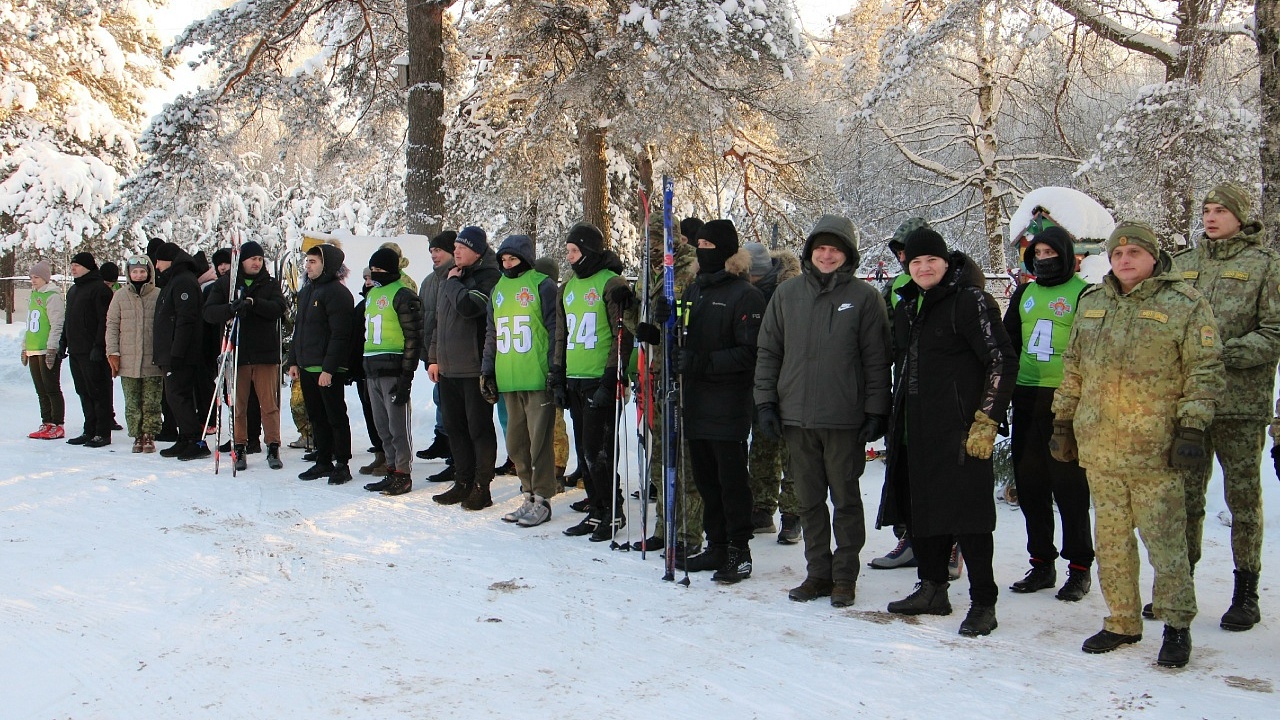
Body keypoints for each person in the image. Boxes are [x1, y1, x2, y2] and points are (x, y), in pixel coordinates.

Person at [1053, 220, 1223, 668]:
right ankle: (1122, 621)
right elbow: (1073, 368)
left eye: (1134, 254)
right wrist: (1063, 422)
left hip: (1156, 449)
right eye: (1117, 255)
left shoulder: (1185, 303)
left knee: (1165, 542)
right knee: (1110, 541)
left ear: (1153, 257)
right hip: (1101, 448)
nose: (1124, 261)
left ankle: (1176, 625)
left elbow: (1204, 372)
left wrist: (1192, 428)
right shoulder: (1092, 303)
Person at [879, 227, 1016, 637]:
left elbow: (1001, 360)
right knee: (923, 511)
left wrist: (986, 418)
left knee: (970, 517)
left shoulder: (970, 301)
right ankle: (933, 587)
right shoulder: (907, 306)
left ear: (946, 262)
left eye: (931, 261)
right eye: (915, 262)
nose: (923, 268)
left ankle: (983, 601)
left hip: (961, 429)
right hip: (914, 427)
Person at [756, 215, 892, 605]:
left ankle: (845, 575)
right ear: (810, 252)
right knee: (808, 501)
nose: (827, 255)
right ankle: (818, 573)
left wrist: (875, 410)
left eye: (835, 249)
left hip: (844, 419)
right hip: (796, 417)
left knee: (846, 501)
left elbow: (877, 361)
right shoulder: (786, 295)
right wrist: (765, 401)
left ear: (847, 254)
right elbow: (768, 352)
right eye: (821, 248)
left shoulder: (865, 299)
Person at [1171, 182, 1280, 632]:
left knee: (1243, 500)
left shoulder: (1265, 265)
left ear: (1240, 216)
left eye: (1221, 211)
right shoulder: (1183, 265)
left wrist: (1226, 352)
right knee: (1185, 498)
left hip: (1241, 404)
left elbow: (1275, 330)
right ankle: (1182, 586)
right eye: (1207, 210)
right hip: (1191, 405)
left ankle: (1246, 590)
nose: (1211, 218)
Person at [1001, 225, 1094, 601]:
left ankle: (1079, 567)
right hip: (1027, 397)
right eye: (1037, 254)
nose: (1043, 260)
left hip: (1065, 401)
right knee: (1031, 484)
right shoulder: (1025, 293)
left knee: (1069, 488)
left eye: (1050, 254)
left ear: (1067, 256)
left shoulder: (1084, 294)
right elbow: (1008, 344)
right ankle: (1041, 562)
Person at [668, 220, 765, 583]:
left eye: (710, 244)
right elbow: (686, 335)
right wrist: (665, 324)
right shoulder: (696, 290)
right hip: (696, 402)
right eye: (701, 243)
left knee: (731, 481)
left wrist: (702, 363)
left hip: (728, 403)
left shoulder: (745, 295)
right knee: (707, 481)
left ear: (726, 252)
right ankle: (717, 544)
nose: (702, 249)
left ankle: (739, 549)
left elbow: (749, 353)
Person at [625, 214, 704, 558]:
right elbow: (642, 322)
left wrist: (665, 329)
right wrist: (630, 313)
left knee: (682, 455)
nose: (653, 248)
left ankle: (688, 533)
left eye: (658, 241)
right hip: (655, 372)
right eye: (649, 242)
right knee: (659, 455)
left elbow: (695, 322)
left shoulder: (691, 270)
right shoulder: (648, 273)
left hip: (683, 374)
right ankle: (663, 527)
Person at [551, 222, 634, 542]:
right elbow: (562, 335)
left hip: (600, 379)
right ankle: (597, 508)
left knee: (600, 451)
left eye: (574, 251)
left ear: (588, 251)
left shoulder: (610, 283)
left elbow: (621, 336)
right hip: (575, 378)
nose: (570, 257)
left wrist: (612, 378)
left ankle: (613, 511)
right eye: (568, 251)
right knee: (586, 452)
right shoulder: (567, 288)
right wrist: (558, 375)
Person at [482, 234, 558, 526]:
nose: (507, 264)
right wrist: (487, 370)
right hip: (509, 377)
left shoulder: (542, 285)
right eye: (503, 259)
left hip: (537, 376)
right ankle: (527, 493)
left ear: (525, 259)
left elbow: (554, 329)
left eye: (512, 259)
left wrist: (555, 367)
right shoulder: (498, 289)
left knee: (540, 441)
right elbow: (492, 333)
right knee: (516, 443)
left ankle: (543, 497)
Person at [869, 217, 929, 570]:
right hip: (902, 387)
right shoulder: (894, 287)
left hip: (940, 389)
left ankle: (948, 542)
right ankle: (907, 536)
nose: (906, 257)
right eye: (901, 251)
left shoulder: (950, 277)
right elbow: (882, 339)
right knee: (902, 466)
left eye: (912, 249)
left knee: (938, 470)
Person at [428, 226, 502, 510]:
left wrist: (452, 284)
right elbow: (440, 322)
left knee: (479, 429)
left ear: (477, 251)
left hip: (473, 367)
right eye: (455, 246)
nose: (455, 251)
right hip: (448, 368)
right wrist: (434, 357)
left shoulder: (488, 277)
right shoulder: (453, 277)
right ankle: (462, 482)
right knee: (455, 428)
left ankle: (482, 487)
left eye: (462, 247)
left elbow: (471, 308)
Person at [203, 240, 287, 471]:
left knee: (269, 405)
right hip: (237, 353)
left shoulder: (269, 283)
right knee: (238, 406)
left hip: (264, 354)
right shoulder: (226, 284)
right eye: (253, 259)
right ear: (242, 261)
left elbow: (279, 308)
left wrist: (254, 303)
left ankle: (272, 446)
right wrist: (230, 309)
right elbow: (209, 312)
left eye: (260, 259)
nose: (257, 263)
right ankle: (239, 447)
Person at [741, 241, 801, 544]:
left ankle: (792, 514)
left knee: (792, 449)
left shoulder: (791, 291)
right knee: (763, 444)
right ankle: (762, 507)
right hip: (759, 377)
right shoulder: (745, 290)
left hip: (791, 378)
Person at [288, 242, 356, 484]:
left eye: (313, 261)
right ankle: (323, 460)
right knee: (316, 416)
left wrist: (329, 368)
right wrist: (293, 360)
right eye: (307, 261)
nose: (308, 266)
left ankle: (342, 463)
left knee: (335, 415)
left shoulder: (337, 293)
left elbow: (340, 335)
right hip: (307, 365)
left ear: (327, 264)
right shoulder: (307, 292)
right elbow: (299, 330)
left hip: (327, 369)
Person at [359, 247, 424, 496]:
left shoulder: (404, 294)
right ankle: (390, 467)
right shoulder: (372, 295)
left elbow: (413, 337)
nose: (376, 273)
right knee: (382, 425)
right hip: (373, 368)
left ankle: (403, 473)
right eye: (372, 269)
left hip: (394, 367)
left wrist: (407, 376)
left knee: (398, 426)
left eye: (380, 269)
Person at [153, 243, 210, 460]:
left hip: (180, 354)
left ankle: (195, 439)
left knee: (180, 396)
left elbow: (186, 320)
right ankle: (185, 437)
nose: (156, 266)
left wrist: (177, 352)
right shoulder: (174, 280)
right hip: (170, 352)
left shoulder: (184, 281)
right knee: (174, 397)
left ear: (169, 260)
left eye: (159, 261)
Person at [106, 256, 164, 453]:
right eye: (135, 271)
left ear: (149, 273)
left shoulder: (158, 295)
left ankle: (149, 434)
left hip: (152, 360)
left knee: (152, 400)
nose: (139, 275)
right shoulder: (120, 297)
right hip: (128, 359)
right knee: (132, 401)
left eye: (142, 271)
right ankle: (137, 435)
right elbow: (112, 325)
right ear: (129, 273)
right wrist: (113, 352)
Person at [61, 252, 115, 448]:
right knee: (83, 391)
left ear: (88, 267)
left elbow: (105, 321)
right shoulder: (74, 290)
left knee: (98, 391)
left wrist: (99, 346)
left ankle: (102, 431)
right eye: (72, 264)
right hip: (76, 350)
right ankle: (89, 429)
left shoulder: (100, 290)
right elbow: (69, 320)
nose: (73, 268)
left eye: (77, 265)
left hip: (93, 351)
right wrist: (63, 342)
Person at [417, 231, 457, 479]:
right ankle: (442, 441)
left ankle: (456, 456)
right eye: (432, 251)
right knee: (440, 398)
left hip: (455, 355)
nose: (434, 254)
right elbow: (424, 319)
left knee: (453, 406)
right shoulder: (429, 281)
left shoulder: (458, 276)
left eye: (439, 250)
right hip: (434, 352)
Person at [24, 261, 66, 440]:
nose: (33, 281)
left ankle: (58, 423)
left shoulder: (52, 295)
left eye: (37, 277)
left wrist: (52, 347)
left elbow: (57, 323)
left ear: (45, 278)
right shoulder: (34, 295)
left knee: (51, 387)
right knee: (40, 389)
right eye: (31, 277)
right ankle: (47, 421)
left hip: (46, 348)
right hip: (34, 348)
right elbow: (30, 324)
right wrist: (24, 347)